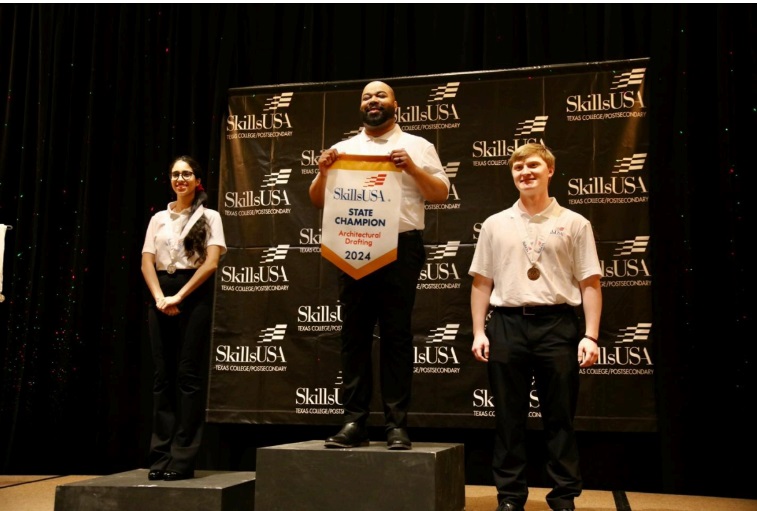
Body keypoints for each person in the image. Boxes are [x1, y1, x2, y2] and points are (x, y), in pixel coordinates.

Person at [309, 81, 450, 450]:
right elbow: (317, 199)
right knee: (354, 334)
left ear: (395, 105)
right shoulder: (343, 149)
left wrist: (414, 169)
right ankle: (354, 422)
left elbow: (440, 193)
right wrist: (324, 171)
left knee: (396, 335)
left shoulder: (419, 146)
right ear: (362, 106)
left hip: (401, 247)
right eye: (367, 97)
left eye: (381, 95)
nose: (373, 101)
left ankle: (395, 425)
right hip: (352, 243)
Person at [469, 143, 602, 511]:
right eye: (517, 168)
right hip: (507, 325)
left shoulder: (574, 222)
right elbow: (482, 281)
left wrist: (590, 335)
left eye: (532, 166)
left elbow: (590, 282)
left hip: (558, 325)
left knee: (560, 417)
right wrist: (480, 331)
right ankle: (510, 497)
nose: (525, 172)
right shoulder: (496, 223)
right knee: (508, 420)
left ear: (550, 171)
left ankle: (563, 497)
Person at [141, 155, 226, 480]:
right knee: (162, 377)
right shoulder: (158, 218)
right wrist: (160, 296)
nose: (180, 179)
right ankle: (159, 457)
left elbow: (211, 263)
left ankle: (182, 459)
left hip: (193, 294)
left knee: (187, 377)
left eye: (186, 174)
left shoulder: (210, 217)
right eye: (175, 174)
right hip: (160, 293)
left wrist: (179, 296)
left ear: (197, 180)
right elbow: (147, 261)